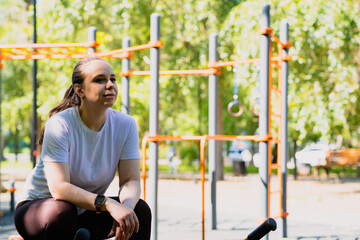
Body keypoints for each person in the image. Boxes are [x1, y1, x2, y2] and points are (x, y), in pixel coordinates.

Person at [14, 56, 151, 240]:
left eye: (112, 79)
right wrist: (109, 204)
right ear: (80, 90)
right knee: (62, 210)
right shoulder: (60, 124)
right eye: (100, 80)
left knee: (138, 212)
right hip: (41, 211)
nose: (110, 85)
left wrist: (125, 209)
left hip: (86, 211)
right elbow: (60, 189)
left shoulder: (125, 124)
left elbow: (130, 180)